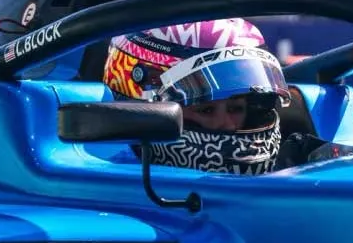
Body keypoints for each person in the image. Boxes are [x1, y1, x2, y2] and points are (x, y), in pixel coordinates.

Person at [102, 17, 324, 174]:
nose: (227, 125)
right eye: (206, 109)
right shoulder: (103, 176)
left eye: (236, 108)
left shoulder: (301, 169)